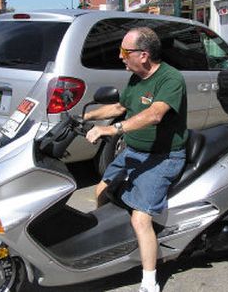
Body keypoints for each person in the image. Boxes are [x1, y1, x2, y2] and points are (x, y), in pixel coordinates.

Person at [85, 27, 188, 292]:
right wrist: (84, 117)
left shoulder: (170, 78)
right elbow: (120, 107)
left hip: (164, 156)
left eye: (124, 52)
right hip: (134, 152)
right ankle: (103, 243)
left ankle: (149, 281)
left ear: (143, 55)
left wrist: (113, 129)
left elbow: (155, 114)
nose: (120, 57)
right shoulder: (135, 78)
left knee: (140, 220)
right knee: (101, 190)